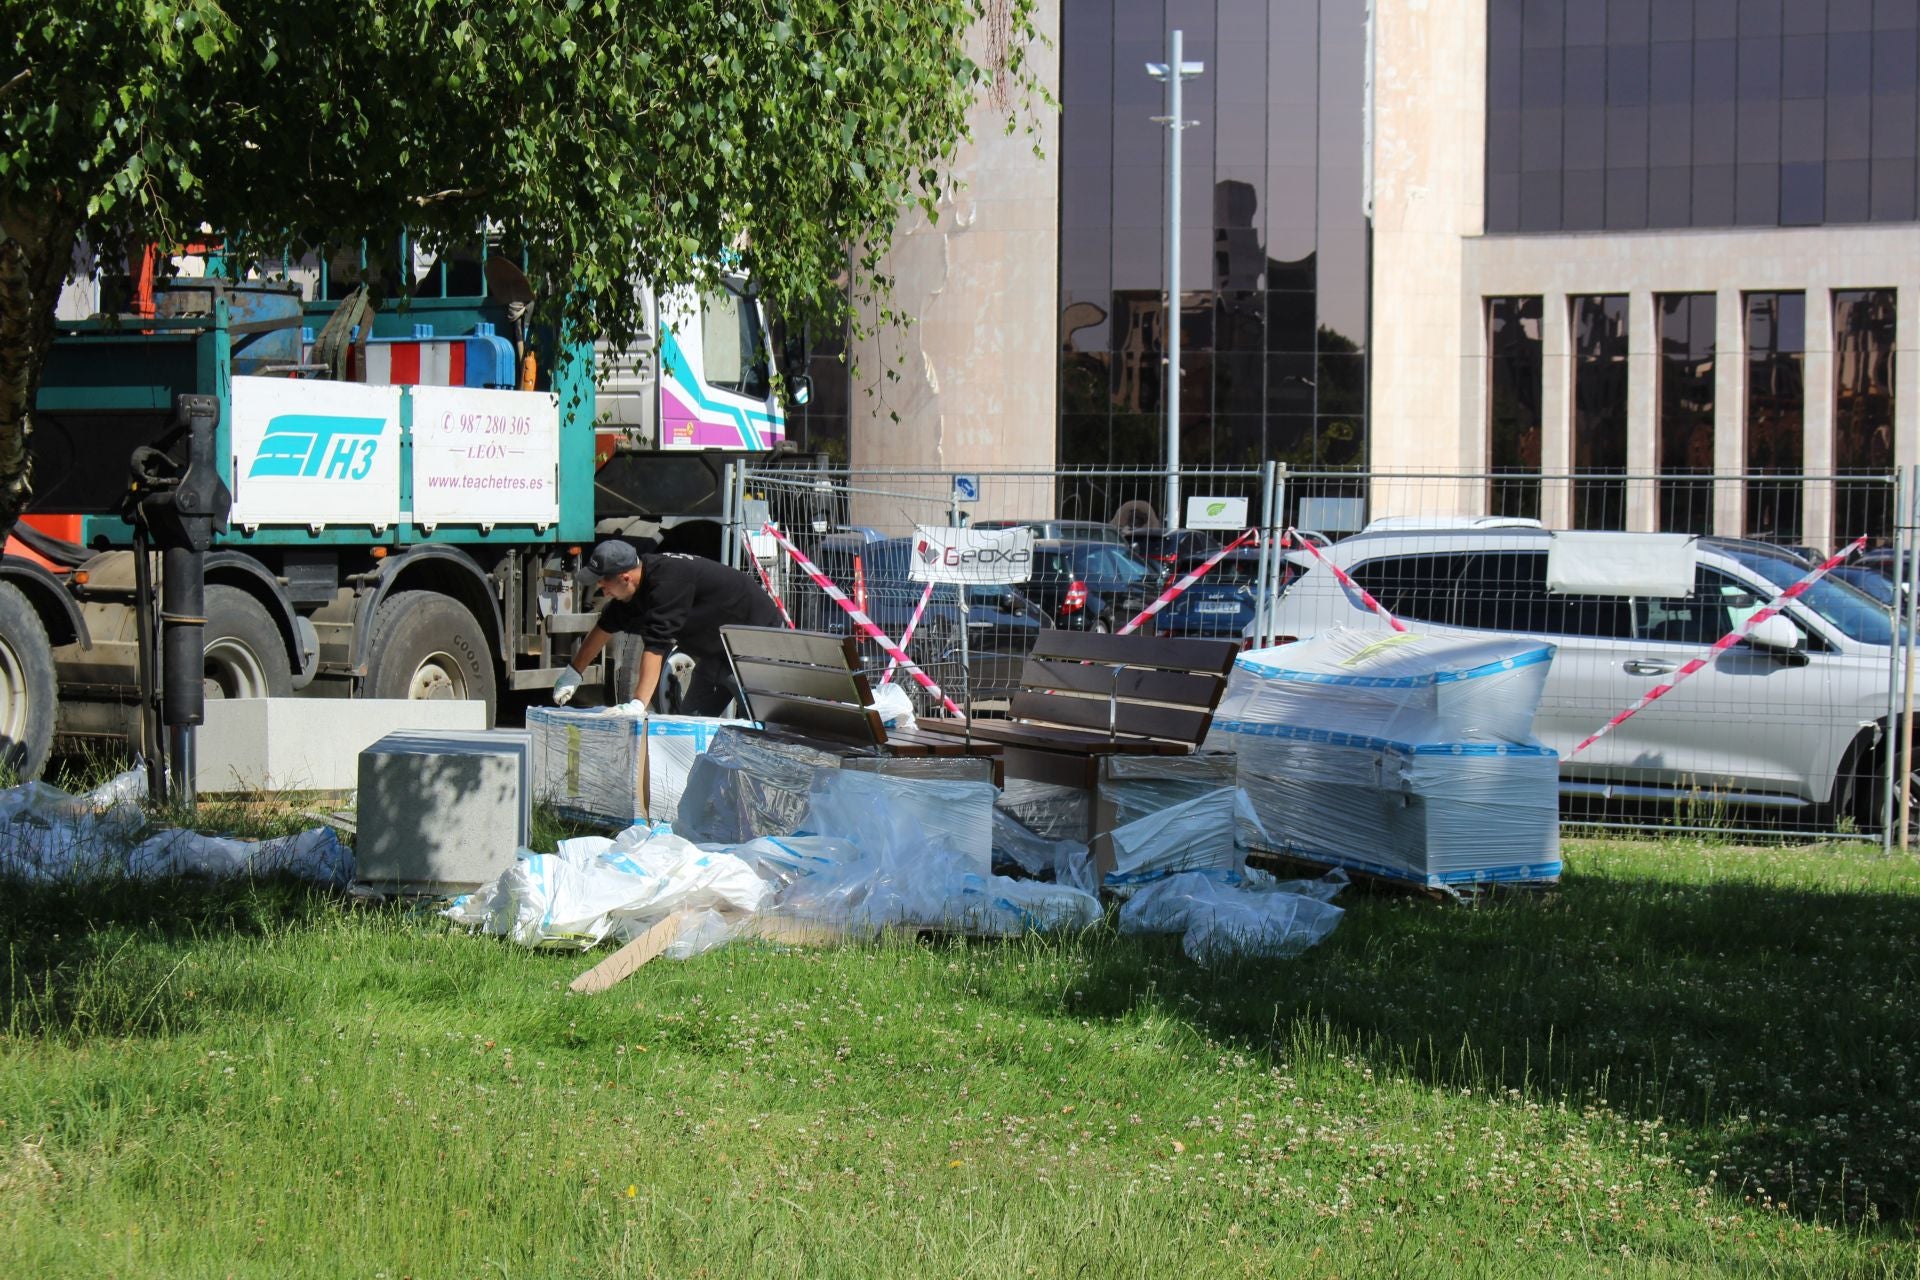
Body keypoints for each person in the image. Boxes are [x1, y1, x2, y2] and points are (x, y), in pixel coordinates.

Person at [553, 539, 781, 714]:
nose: (601, 588)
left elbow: (656, 645)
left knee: (758, 733)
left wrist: (637, 705)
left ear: (625, 578)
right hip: (716, 654)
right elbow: (604, 627)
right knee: (689, 728)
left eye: (604, 581)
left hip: (755, 651)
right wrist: (573, 674)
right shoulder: (634, 589)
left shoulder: (668, 583)